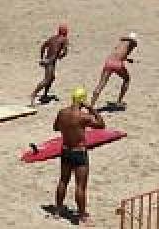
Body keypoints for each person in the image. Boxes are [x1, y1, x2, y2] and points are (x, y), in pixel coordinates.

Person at [51, 87, 106, 226]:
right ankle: (82, 216)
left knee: (63, 180)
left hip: (65, 150)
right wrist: (92, 109)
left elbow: (56, 127)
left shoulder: (62, 113)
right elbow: (101, 124)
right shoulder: (83, 116)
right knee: (80, 186)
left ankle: (57, 211)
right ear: (82, 100)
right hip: (79, 152)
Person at [92, 32, 137, 109]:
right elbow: (123, 55)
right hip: (117, 64)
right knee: (127, 79)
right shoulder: (131, 44)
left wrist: (127, 59)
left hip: (108, 62)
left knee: (101, 84)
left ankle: (91, 105)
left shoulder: (121, 43)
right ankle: (119, 101)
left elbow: (119, 54)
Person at [29, 24, 69, 105]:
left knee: (52, 78)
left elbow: (43, 46)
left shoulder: (53, 38)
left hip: (48, 60)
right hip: (51, 61)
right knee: (47, 80)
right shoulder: (64, 39)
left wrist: (42, 58)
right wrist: (61, 56)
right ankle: (34, 94)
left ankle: (45, 95)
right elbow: (65, 52)